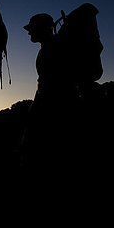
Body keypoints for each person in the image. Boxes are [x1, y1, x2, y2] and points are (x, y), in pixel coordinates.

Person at [20, 13, 79, 168]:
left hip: (54, 105)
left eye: (31, 28)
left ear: (42, 28)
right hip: (53, 101)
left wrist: (38, 106)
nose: (29, 32)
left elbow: (54, 81)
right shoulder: (50, 46)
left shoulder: (54, 47)